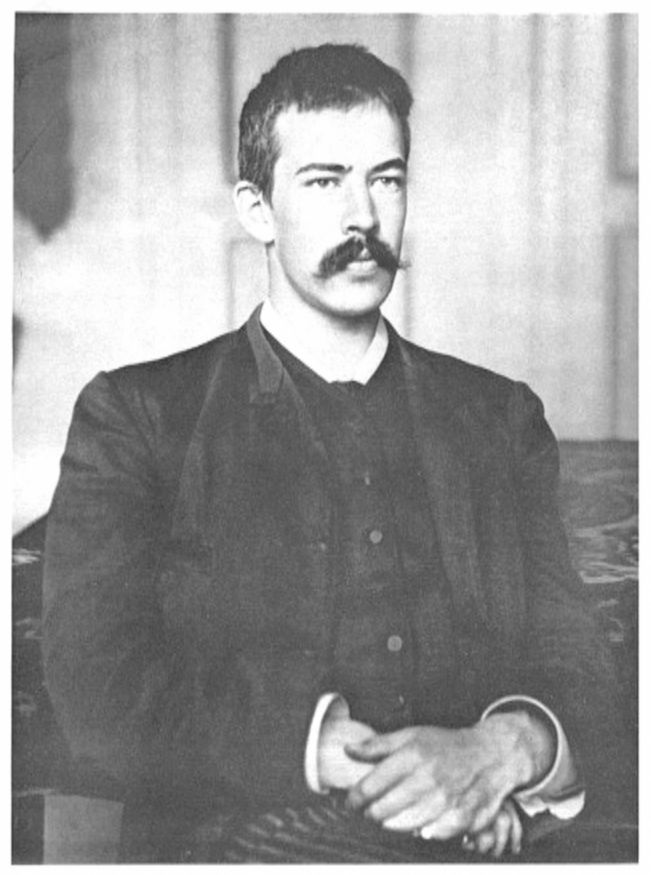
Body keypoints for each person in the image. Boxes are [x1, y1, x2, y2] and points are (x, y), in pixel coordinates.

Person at [42, 43, 633, 863]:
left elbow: (577, 659)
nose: (363, 217)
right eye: (324, 182)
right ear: (257, 209)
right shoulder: (141, 416)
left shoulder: (497, 418)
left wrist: (507, 751)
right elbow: (95, 685)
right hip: (237, 847)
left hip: (484, 846)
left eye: (385, 180)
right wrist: (326, 752)